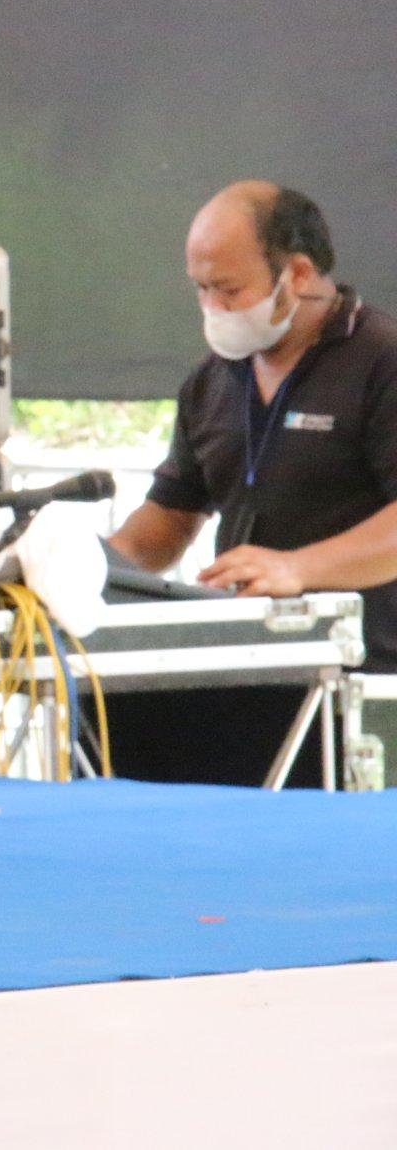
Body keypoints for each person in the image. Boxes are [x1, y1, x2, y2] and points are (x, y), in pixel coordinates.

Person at [108, 182, 397, 775]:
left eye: (229, 289)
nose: (212, 306)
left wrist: (297, 568)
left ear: (298, 274)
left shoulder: (382, 360)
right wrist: (90, 566)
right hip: (246, 675)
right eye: (200, 288)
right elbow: (168, 519)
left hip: (368, 687)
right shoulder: (210, 381)